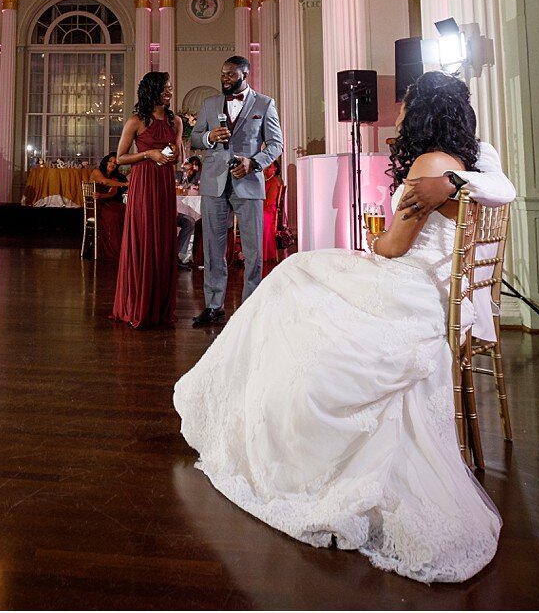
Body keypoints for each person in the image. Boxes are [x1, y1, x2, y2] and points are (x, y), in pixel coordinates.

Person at [173, 72, 515, 584]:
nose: (396, 111)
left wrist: (370, 247)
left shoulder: (428, 167)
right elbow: (501, 185)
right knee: (297, 277)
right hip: (438, 294)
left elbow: (394, 247)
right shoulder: (470, 160)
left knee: (291, 278)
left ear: (420, 112)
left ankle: (266, 415)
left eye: (404, 104)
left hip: (406, 289)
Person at [188, 55, 284, 327]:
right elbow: (194, 138)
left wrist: (253, 163)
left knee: (253, 251)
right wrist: (208, 137)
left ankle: (250, 307)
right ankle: (214, 306)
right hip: (214, 183)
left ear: (245, 75)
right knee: (214, 248)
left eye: (230, 74)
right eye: (222, 74)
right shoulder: (209, 104)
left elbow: (276, 145)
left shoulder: (265, 104)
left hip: (249, 183)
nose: (225, 79)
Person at [111, 71, 180, 328]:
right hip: (143, 184)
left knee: (163, 240)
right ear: (153, 90)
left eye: (170, 88)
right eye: (166, 89)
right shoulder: (136, 121)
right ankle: (137, 305)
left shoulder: (176, 122)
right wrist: (148, 153)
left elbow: (179, 158)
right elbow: (120, 158)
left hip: (164, 184)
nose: (170, 92)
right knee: (144, 238)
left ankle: (159, 307)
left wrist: (174, 154)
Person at [91, 153, 128, 261]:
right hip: (96, 205)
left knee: (125, 210)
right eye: (110, 161)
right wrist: (126, 184)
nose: (112, 164)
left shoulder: (115, 178)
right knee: (114, 215)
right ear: (105, 161)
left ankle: (125, 249)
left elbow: (112, 193)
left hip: (108, 201)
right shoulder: (96, 172)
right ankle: (112, 251)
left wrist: (103, 195)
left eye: (115, 163)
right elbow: (105, 182)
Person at [176, 156, 203, 269]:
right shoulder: (176, 175)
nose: (191, 169)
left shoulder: (197, 176)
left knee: (190, 222)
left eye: (193, 167)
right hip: (164, 213)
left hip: (177, 212)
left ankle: (176, 254)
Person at [261, 161, 285, 272]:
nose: (266, 169)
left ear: (275, 168)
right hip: (265, 209)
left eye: (269, 167)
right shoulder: (267, 181)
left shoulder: (274, 181)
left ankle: (263, 253)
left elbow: (269, 201)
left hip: (268, 211)